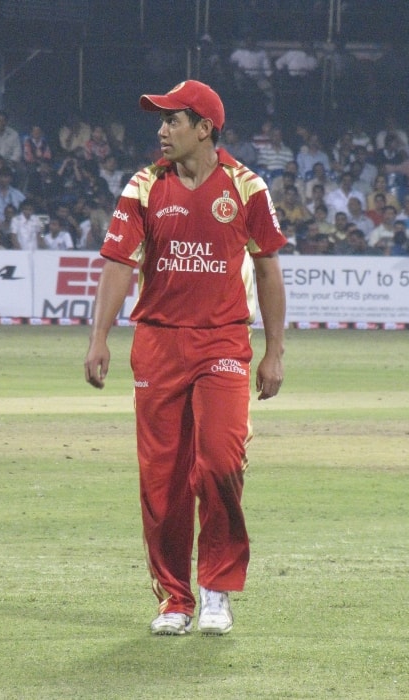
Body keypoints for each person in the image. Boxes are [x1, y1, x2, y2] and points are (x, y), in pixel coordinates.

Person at [84, 79, 286, 637]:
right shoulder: (144, 186)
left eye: (173, 119)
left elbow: (268, 268)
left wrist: (274, 352)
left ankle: (216, 589)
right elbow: (119, 266)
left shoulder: (247, 187)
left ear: (205, 128)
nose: (161, 129)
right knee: (163, 481)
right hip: (158, 345)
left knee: (219, 462)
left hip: (222, 342)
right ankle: (175, 599)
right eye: (161, 119)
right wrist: (99, 338)